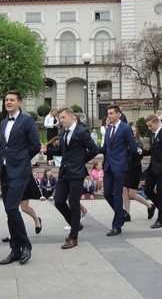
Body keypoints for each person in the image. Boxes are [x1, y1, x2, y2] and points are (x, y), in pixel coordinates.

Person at [0, 90, 40, 265]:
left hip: (20, 171)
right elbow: (5, 147)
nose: (8, 102)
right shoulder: (4, 122)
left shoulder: (27, 120)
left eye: (12, 100)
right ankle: (15, 250)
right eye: (6, 100)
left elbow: (35, 145)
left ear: (19, 102)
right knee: (9, 211)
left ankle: (26, 245)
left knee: (12, 208)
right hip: (5, 171)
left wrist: (22, 158)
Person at [43, 107, 98, 249]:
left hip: (76, 174)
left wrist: (80, 161)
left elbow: (94, 150)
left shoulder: (82, 132)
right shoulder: (63, 132)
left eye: (62, 117)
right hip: (64, 173)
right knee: (59, 201)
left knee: (74, 205)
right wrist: (46, 150)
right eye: (59, 118)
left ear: (71, 117)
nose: (60, 120)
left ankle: (73, 238)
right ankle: (76, 225)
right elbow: (62, 151)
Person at [99, 105, 138, 236]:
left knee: (117, 194)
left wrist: (123, 158)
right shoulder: (109, 129)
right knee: (107, 193)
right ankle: (122, 213)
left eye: (111, 113)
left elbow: (133, 147)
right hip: (109, 165)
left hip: (120, 166)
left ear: (118, 114)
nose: (108, 116)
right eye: (108, 113)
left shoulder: (125, 128)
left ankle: (116, 226)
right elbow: (105, 148)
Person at [0, 168, 42, 242]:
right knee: (12, 209)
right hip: (11, 181)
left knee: (24, 208)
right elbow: (5, 164)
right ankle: (12, 234)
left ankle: (37, 219)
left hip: (24, 179)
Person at [141, 114, 162, 229]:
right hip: (152, 167)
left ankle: (161, 219)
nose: (149, 128)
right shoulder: (152, 134)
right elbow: (152, 150)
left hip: (161, 168)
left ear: (156, 123)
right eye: (148, 126)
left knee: (160, 193)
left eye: (150, 125)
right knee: (148, 190)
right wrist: (141, 152)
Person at [123, 126, 155, 222]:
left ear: (136, 133)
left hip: (135, 169)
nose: (132, 132)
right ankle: (127, 214)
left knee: (132, 194)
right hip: (126, 169)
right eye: (131, 131)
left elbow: (138, 154)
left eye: (134, 131)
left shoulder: (138, 143)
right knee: (125, 191)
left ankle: (150, 206)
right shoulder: (125, 143)